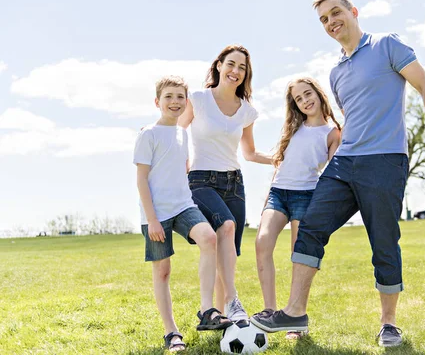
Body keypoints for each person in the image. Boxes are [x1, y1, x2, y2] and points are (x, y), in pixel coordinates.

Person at [251, 0, 425, 348]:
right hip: (344, 163)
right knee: (311, 225)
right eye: (324, 19)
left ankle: (389, 324)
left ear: (353, 12)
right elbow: (353, 117)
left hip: (385, 161)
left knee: (384, 242)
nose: (331, 22)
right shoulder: (336, 72)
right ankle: (295, 310)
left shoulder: (387, 45)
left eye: (336, 13)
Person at [134, 76, 233, 352]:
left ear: (185, 102)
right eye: (168, 96)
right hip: (156, 214)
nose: (174, 102)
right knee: (163, 271)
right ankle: (171, 332)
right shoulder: (148, 134)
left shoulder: (183, 133)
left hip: (183, 206)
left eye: (179, 97)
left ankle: (206, 309)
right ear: (157, 102)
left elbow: (183, 167)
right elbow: (141, 180)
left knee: (209, 238)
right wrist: (152, 219)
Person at [179, 45, 272, 321]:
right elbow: (177, 133)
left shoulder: (246, 111)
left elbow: (250, 153)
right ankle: (233, 300)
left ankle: (221, 319)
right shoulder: (197, 99)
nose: (236, 71)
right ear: (219, 65)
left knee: (225, 253)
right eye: (231, 64)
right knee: (226, 225)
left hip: (234, 184)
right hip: (200, 180)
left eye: (242, 67)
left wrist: (281, 157)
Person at [254, 77, 341, 339]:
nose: (305, 101)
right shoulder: (294, 127)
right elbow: (281, 162)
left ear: (318, 93)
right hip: (279, 193)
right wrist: (270, 191)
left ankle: (295, 317)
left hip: (307, 195)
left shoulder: (333, 132)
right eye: (299, 99)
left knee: (298, 255)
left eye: (308, 94)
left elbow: (334, 170)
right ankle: (271, 313)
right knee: (262, 242)